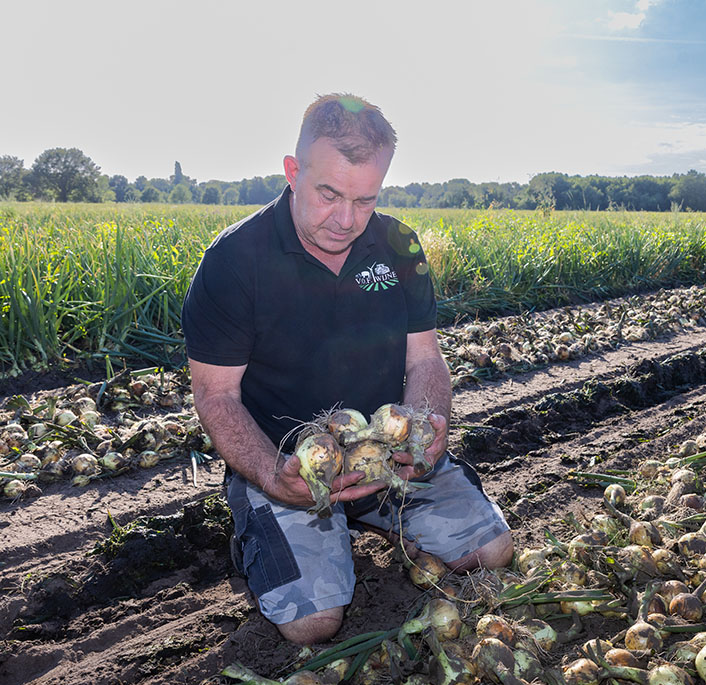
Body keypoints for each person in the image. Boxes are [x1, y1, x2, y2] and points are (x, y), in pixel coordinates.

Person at [181, 94, 513, 645]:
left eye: (365, 199)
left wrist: (428, 427)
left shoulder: (399, 245)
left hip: (388, 458)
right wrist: (270, 474)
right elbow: (216, 398)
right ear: (293, 172)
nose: (345, 219)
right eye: (328, 194)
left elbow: (425, 359)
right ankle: (266, 523)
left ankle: (379, 516)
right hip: (290, 466)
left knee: (492, 553)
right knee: (313, 625)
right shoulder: (234, 262)